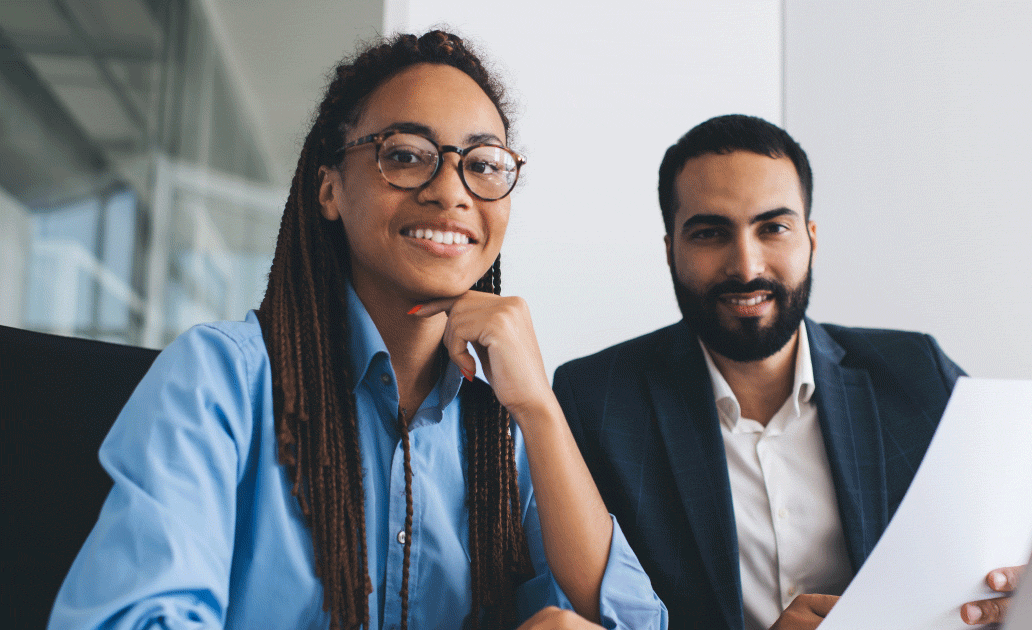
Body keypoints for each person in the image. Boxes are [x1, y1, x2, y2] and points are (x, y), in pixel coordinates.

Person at [49, 31, 665, 630]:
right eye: (405, 155)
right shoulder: (222, 378)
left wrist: (539, 410)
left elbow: (632, 623)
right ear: (329, 188)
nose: (451, 191)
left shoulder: (505, 421)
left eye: (482, 164)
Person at [552, 114, 1020, 630]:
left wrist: (1017, 589)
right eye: (710, 233)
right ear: (670, 251)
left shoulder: (918, 374)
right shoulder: (595, 401)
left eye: (773, 227)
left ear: (811, 238)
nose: (747, 265)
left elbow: (1018, 537)